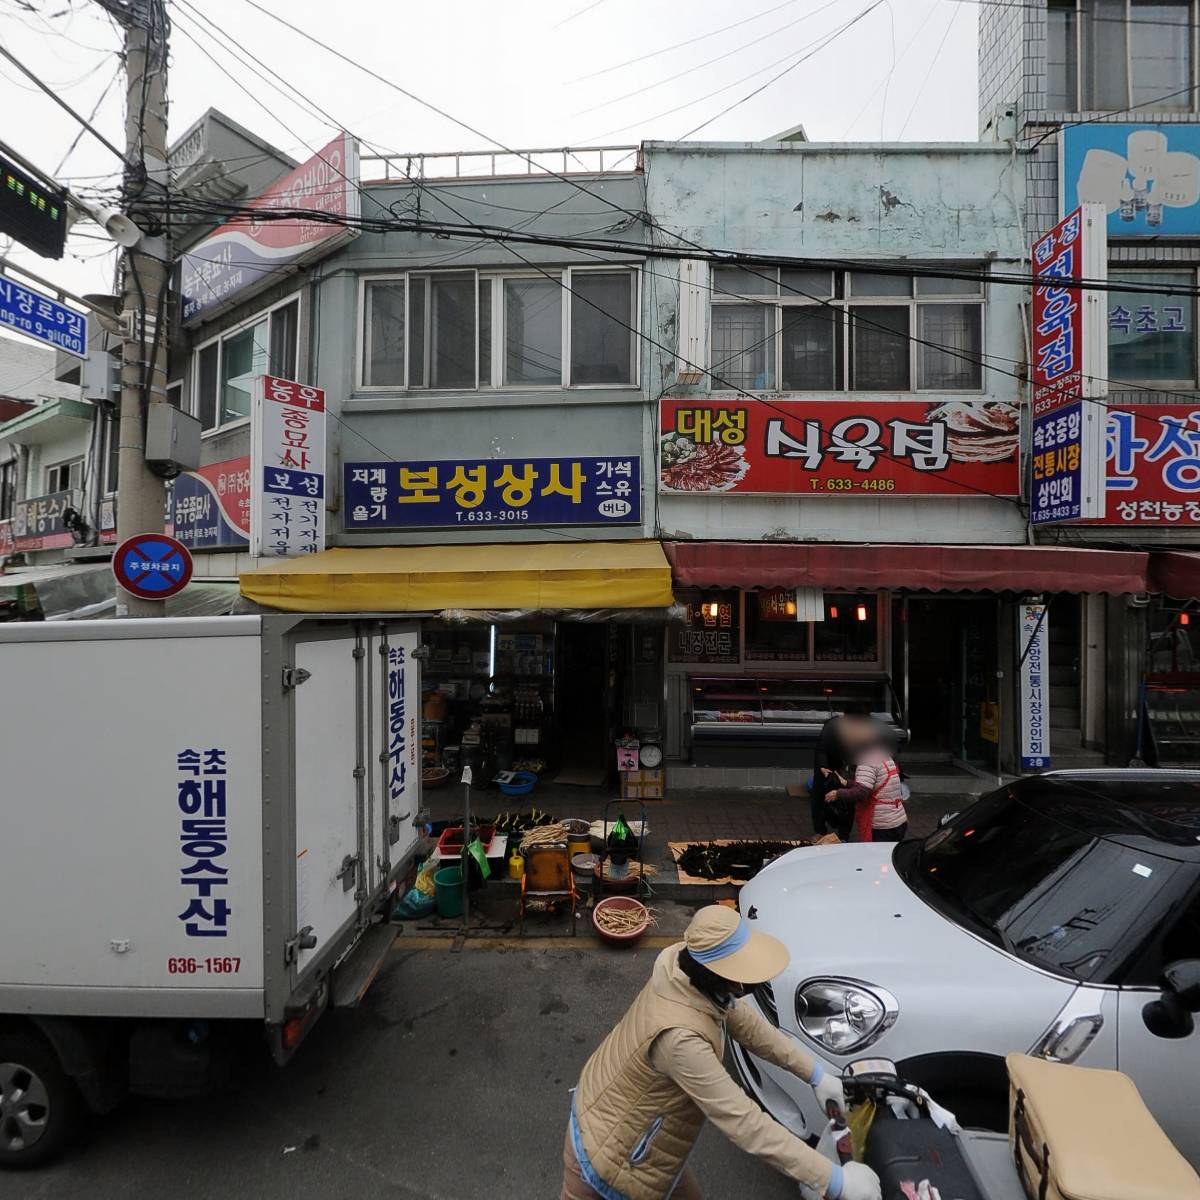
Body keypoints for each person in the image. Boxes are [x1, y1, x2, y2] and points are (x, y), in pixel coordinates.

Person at [561, 905, 882, 1200]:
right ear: (719, 974)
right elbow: (743, 1122)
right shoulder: (681, 1040)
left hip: (643, 1141)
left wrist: (814, 1073)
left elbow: (748, 1026)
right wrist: (834, 1180)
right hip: (608, 1156)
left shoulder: (686, 968)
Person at [826, 730, 907, 843]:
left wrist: (838, 793)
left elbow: (862, 792)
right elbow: (873, 784)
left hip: (882, 826)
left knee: (876, 859)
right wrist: (847, 783)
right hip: (898, 822)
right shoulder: (884, 756)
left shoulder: (867, 761)